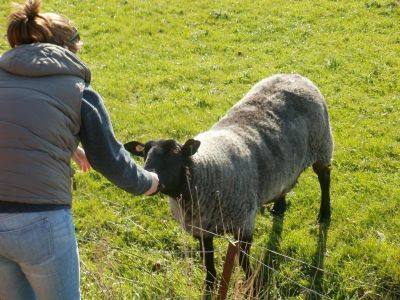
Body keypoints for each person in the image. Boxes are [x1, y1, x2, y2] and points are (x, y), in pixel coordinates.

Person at [0, 0, 159, 299]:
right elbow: (109, 160)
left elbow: (17, 121)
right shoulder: (78, 90)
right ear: (67, 50)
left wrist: (69, 146)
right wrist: (149, 183)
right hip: (40, 220)